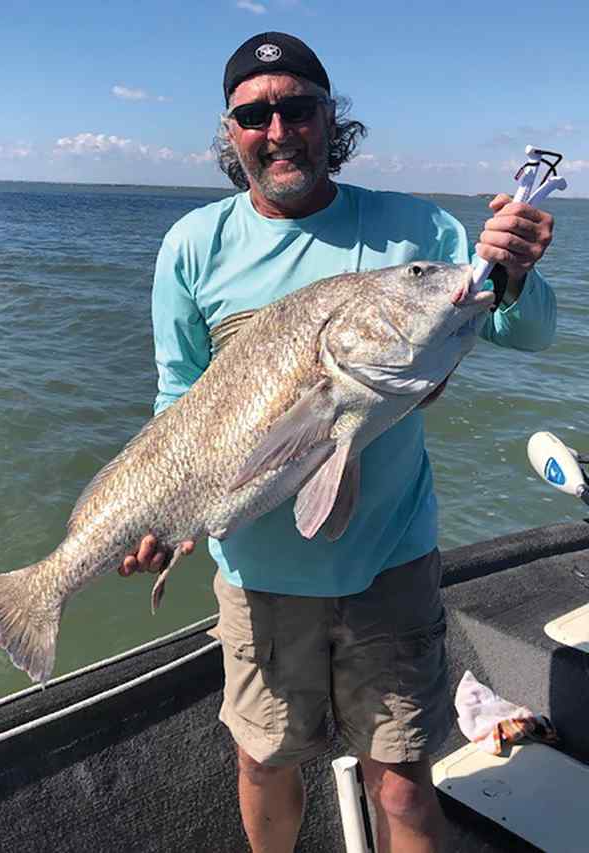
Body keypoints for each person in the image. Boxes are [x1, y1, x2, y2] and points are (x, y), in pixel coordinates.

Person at [119, 32, 556, 853]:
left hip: (389, 560)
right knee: (262, 763)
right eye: (256, 113)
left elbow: (517, 328)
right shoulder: (190, 247)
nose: (279, 128)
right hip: (256, 572)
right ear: (230, 131)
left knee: (403, 783)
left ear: (331, 120)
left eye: (299, 108)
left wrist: (516, 273)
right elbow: (178, 400)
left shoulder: (411, 232)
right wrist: (159, 506)